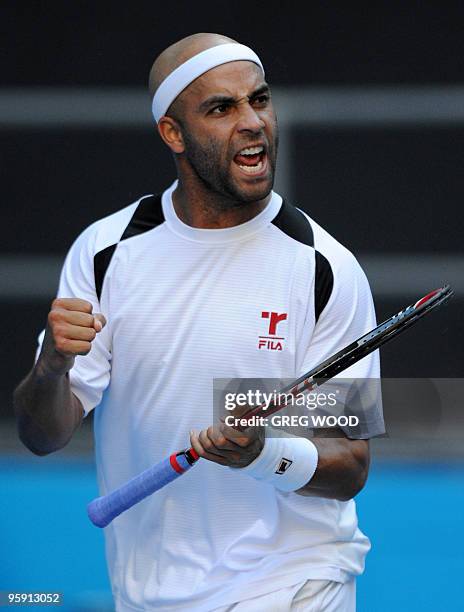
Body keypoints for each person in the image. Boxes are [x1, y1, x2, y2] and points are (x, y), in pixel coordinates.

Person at [14, 33, 384, 611]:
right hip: (149, 590)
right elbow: (42, 434)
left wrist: (260, 451)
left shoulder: (324, 268)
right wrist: (51, 367)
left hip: (297, 580)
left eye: (258, 100)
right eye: (221, 108)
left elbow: (349, 463)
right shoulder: (104, 253)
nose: (253, 122)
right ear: (172, 132)